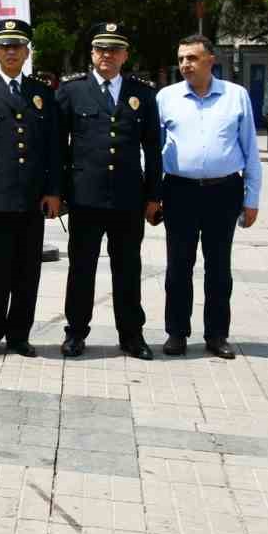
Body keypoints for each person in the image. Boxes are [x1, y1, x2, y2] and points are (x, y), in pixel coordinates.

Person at [56, 22, 161, 360]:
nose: (107, 55)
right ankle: (75, 333)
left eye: (115, 49)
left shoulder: (142, 92)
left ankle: (131, 335)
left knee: (128, 268)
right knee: (81, 268)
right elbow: (57, 147)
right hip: (85, 196)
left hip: (129, 198)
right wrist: (56, 192)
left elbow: (155, 149)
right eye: (101, 49)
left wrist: (154, 196)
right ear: (92, 53)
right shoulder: (72, 90)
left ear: (125, 55)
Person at [156, 34, 262, 360]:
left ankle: (217, 335)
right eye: (181, 58)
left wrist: (252, 198)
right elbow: (153, 150)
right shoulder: (166, 98)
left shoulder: (236, 96)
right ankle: (177, 333)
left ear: (210, 60)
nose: (185, 64)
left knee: (219, 267)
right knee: (178, 267)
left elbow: (250, 149)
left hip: (224, 191)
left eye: (192, 58)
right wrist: (153, 195)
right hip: (180, 191)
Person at [0, 19, 61, 358]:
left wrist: (53, 191)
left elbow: (52, 147)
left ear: (26, 51)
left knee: (26, 273)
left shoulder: (42, 92)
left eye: (16, 46)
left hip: (32, 200)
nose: (10, 51)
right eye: (4, 46)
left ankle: (19, 335)